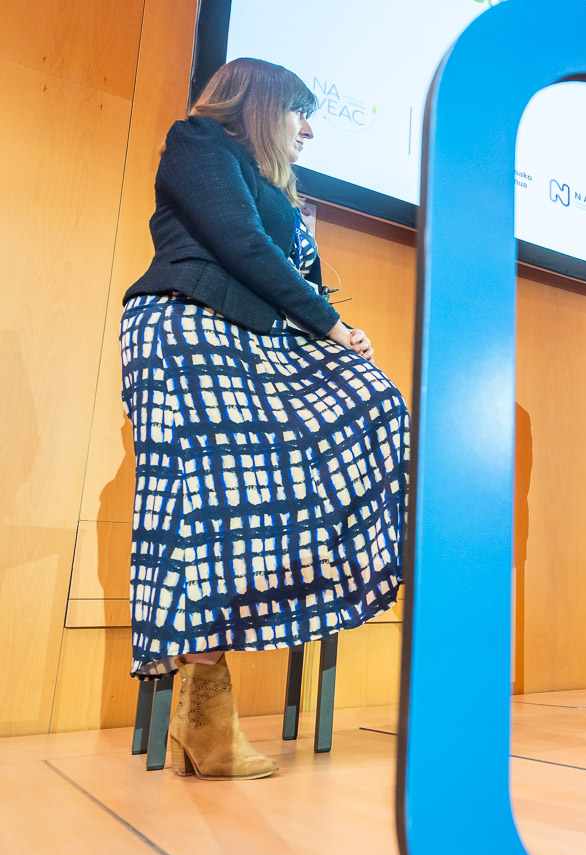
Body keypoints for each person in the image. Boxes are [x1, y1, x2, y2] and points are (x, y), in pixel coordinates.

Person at [120, 58, 408, 779]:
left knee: (378, 402)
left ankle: (235, 667)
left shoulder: (279, 186)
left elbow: (292, 269)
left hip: (252, 342)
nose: (307, 129)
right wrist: (332, 325)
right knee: (216, 503)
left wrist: (329, 327)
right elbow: (241, 246)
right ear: (258, 105)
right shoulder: (199, 143)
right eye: (297, 112)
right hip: (187, 326)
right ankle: (205, 706)